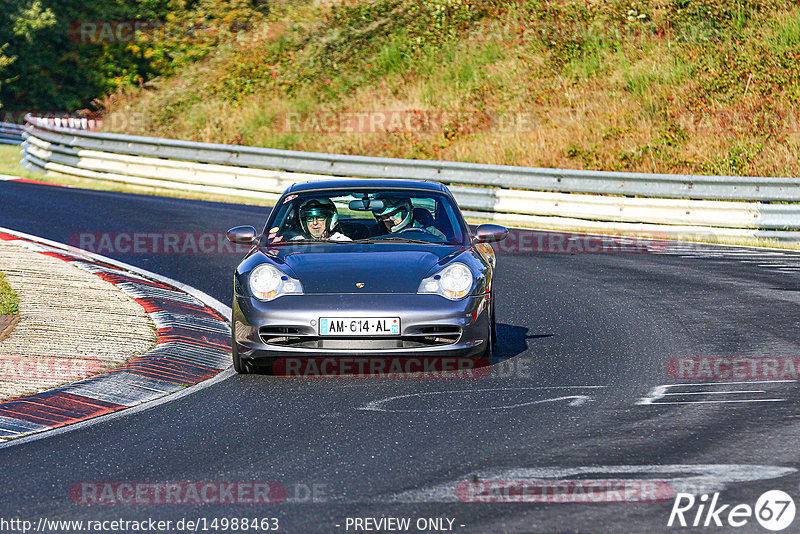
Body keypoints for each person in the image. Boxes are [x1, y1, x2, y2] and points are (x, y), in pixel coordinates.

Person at [373, 198, 445, 240]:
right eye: (385, 217)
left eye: (394, 214)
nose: (391, 219)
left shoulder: (431, 232)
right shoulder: (376, 234)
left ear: (407, 211)